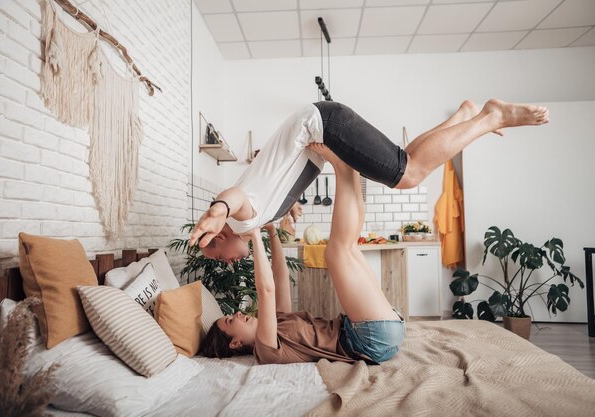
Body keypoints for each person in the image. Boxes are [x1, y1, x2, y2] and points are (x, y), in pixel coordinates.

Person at [189, 99, 549, 262]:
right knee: (406, 161)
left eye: (215, 253)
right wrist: (289, 208)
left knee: (409, 174)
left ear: (220, 233)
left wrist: (219, 207)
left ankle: (489, 117)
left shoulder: (240, 219)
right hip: (322, 124)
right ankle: (465, 116)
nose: (226, 261)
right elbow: (264, 186)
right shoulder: (257, 219)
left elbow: (235, 195)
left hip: (323, 126)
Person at [200, 144, 406, 364]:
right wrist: (255, 233)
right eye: (231, 321)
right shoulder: (266, 350)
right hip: (368, 339)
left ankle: (349, 165)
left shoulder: (276, 322)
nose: (238, 314)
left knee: (349, 247)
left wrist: (271, 231)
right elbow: (265, 290)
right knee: (337, 252)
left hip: (375, 332)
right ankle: (341, 164)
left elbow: (279, 279)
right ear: (235, 343)